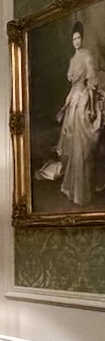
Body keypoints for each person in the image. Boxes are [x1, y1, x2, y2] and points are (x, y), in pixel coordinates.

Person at [52, 21, 105, 206]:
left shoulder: (87, 55)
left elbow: (91, 82)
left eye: (78, 38)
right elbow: (72, 86)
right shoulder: (72, 60)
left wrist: (90, 105)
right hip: (72, 103)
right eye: (73, 38)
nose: (76, 41)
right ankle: (71, 189)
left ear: (82, 38)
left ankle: (83, 192)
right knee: (71, 147)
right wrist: (66, 101)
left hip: (83, 102)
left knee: (82, 148)